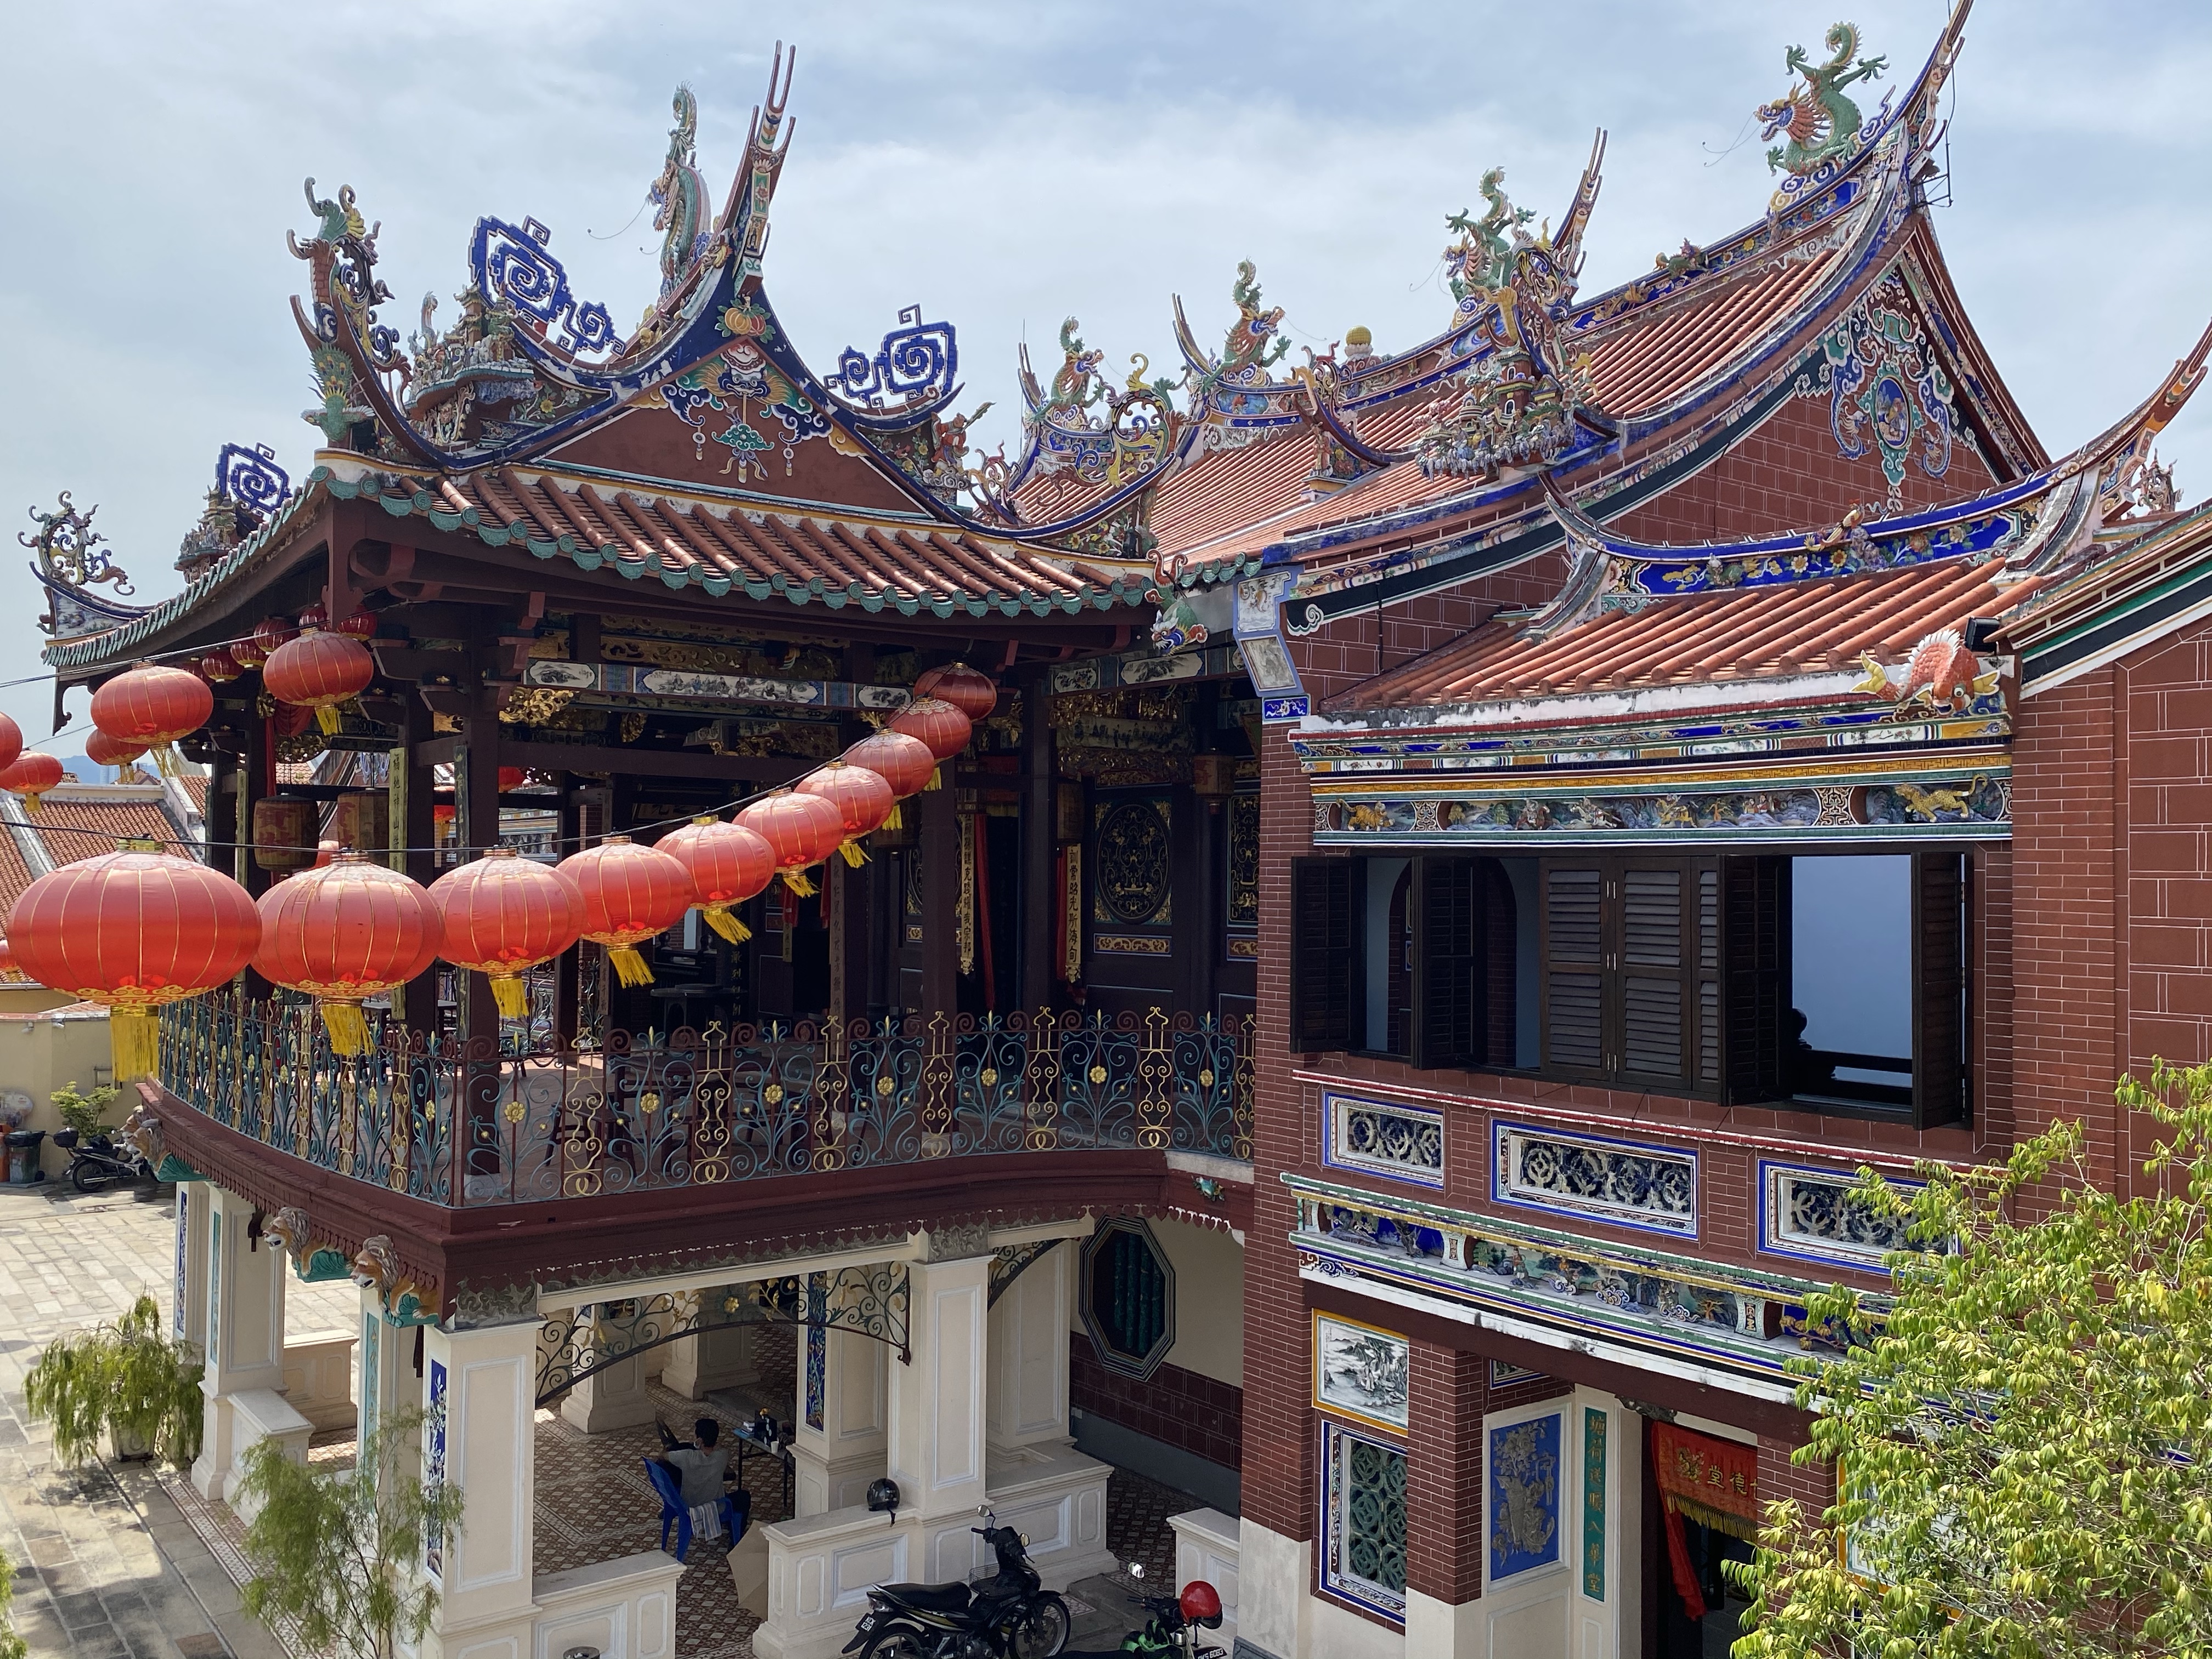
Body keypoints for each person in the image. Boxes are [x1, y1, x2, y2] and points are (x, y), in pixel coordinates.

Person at [658, 1417, 731, 1510]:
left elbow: (662, 1456)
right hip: (715, 1507)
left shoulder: (686, 1456)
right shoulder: (723, 1455)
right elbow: (720, 1447)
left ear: (699, 1439)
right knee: (744, 1496)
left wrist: (666, 1448)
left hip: (690, 1507)